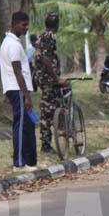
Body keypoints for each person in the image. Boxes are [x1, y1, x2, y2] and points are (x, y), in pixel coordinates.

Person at [1, 11, 38, 172]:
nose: (26, 28)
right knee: (21, 125)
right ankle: (19, 162)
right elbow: (18, 71)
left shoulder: (12, 42)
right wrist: (27, 95)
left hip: (18, 89)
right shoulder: (13, 45)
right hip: (18, 89)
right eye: (23, 25)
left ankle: (30, 161)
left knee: (28, 125)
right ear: (15, 24)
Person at [34, 12, 70, 155]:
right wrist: (56, 79)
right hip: (49, 80)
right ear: (57, 25)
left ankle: (60, 131)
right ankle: (46, 144)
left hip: (46, 79)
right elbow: (45, 60)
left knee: (54, 106)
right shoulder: (48, 37)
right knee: (47, 112)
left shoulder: (44, 36)